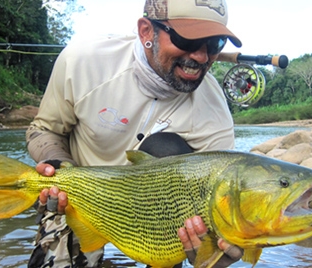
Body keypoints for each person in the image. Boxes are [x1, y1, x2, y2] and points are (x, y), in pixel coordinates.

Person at [25, 0, 244, 267]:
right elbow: (44, 129)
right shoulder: (84, 62)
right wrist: (59, 167)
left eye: (214, 44)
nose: (201, 57)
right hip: (79, 198)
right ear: (145, 32)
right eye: (186, 40)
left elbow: (218, 200)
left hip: (161, 221)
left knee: (168, 149)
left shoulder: (215, 112)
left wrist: (216, 255)